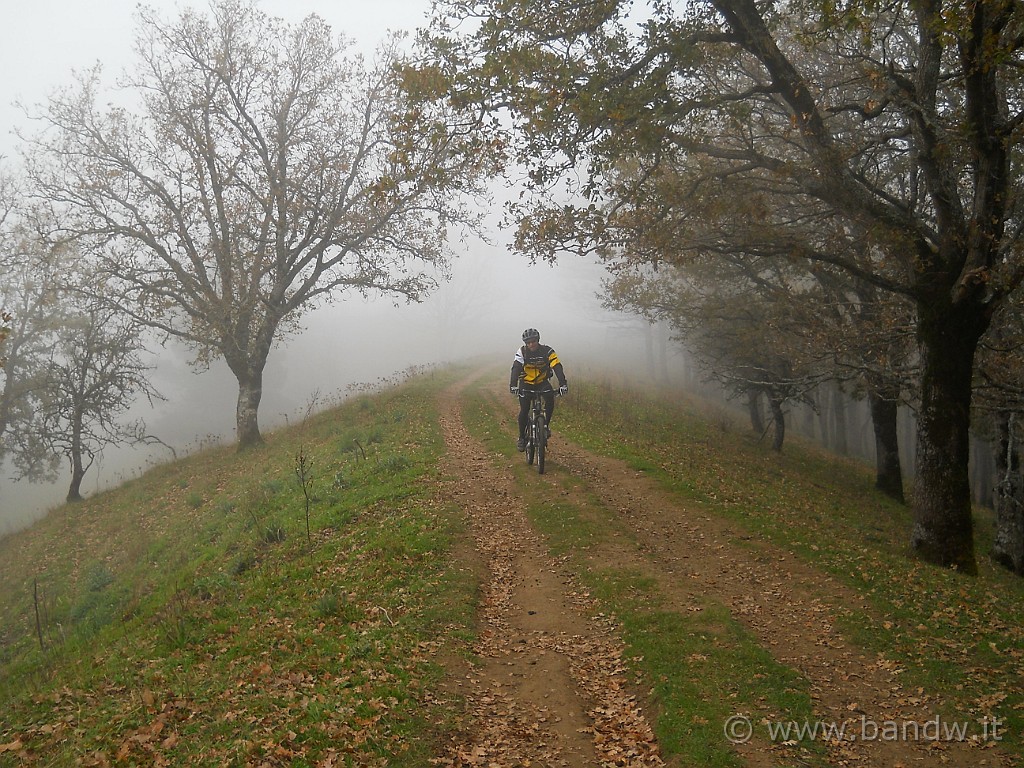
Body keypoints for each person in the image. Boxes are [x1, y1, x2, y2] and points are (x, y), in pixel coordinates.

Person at [509, 328, 568, 452]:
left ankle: (545, 425)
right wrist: (513, 385)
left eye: (533, 341)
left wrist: (563, 384)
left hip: (542, 382)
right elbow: (516, 368)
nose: (531, 344)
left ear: (538, 340)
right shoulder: (522, 352)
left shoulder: (547, 351)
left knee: (550, 398)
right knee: (524, 410)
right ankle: (521, 437)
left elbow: (557, 366)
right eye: (528, 342)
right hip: (526, 383)